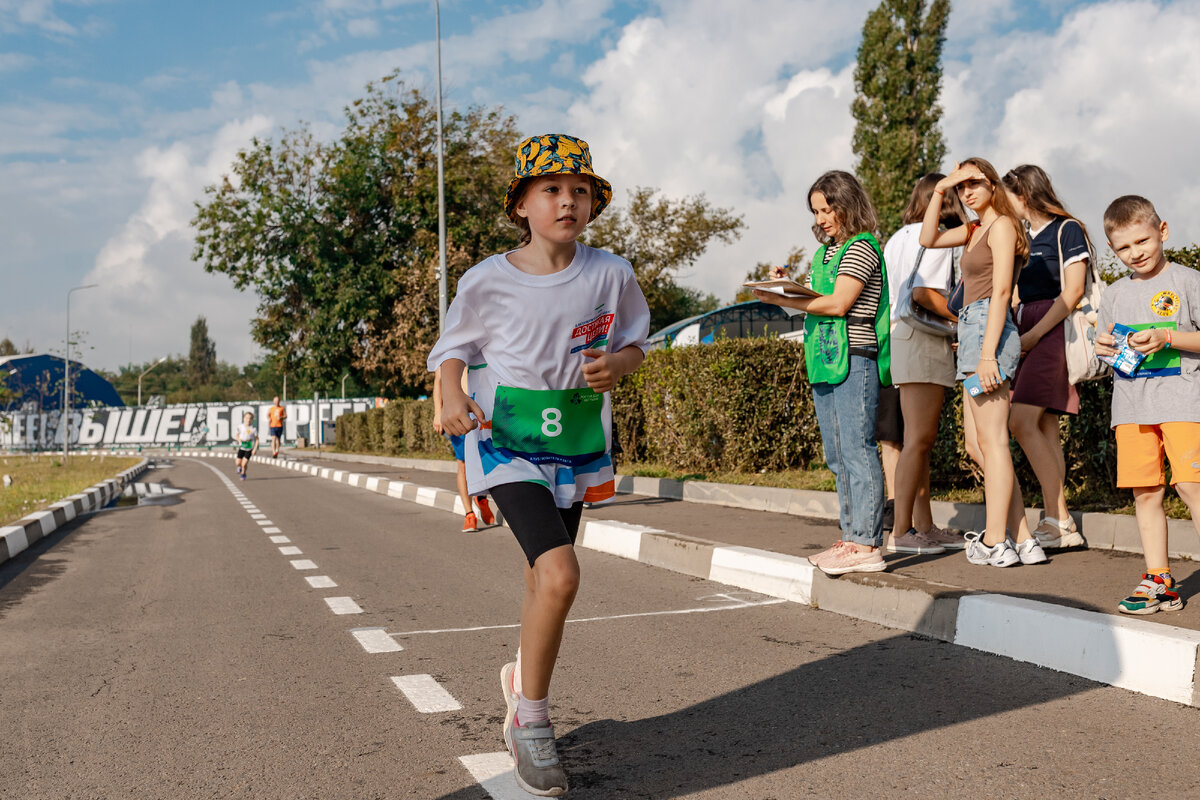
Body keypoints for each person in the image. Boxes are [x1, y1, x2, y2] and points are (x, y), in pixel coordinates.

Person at [429, 133, 650, 796]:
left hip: (575, 442)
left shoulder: (611, 273)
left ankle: (520, 678)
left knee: (539, 577)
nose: (569, 201)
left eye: (580, 190)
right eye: (552, 189)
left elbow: (637, 341)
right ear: (522, 205)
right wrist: (448, 390)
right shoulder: (486, 280)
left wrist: (620, 363)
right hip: (504, 441)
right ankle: (531, 722)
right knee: (560, 574)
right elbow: (453, 348)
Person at [755, 170, 891, 575]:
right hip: (825, 357)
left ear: (847, 203)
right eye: (816, 211)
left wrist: (794, 300)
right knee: (837, 455)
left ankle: (867, 543)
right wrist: (784, 292)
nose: (821, 218)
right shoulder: (825, 254)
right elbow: (814, 303)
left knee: (857, 448)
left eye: (827, 208)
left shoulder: (861, 248)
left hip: (855, 355)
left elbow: (837, 304)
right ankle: (850, 536)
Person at [920, 159, 1046, 567]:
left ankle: (995, 541)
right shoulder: (972, 229)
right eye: (962, 187)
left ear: (993, 184)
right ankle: (1024, 537)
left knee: (993, 441)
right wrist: (941, 190)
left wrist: (989, 353)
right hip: (972, 331)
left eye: (975, 183)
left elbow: (1003, 288)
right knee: (980, 444)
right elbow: (927, 238)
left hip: (987, 332)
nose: (968, 191)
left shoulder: (1003, 226)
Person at [1094, 195, 1200, 615]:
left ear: (1163, 232)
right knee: (1146, 493)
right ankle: (1159, 580)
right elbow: (1108, 352)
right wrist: (1104, 348)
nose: (1135, 253)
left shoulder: (1188, 282)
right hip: (1132, 408)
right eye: (1123, 247)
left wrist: (1167, 336)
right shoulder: (1115, 295)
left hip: (1183, 402)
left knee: (1191, 486)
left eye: (1142, 241)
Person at [1001, 165, 1088, 549]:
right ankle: (1059, 522)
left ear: (1024, 193)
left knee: (1020, 420)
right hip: (1026, 330)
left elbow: (1072, 293)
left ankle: (1061, 519)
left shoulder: (1068, 229)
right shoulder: (1022, 235)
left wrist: (1034, 335)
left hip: (1051, 331)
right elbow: (1015, 293)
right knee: (1045, 428)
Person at [883, 174, 967, 553]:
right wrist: (959, 318)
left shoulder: (896, 238)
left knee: (918, 441)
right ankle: (903, 531)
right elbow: (923, 293)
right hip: (923, 337)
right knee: (918, 439)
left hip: (903, 336)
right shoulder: (934, 235)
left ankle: (923, 526)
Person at [432, 365, 495, 532]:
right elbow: (438, 381)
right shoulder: (449, 344)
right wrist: (438, 413)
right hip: (458, 414)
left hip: (482, 410)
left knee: (485, 459)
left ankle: (481, 498)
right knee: (463, 464)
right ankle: (469, 515)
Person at [233, 411, 258, 481]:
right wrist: (239, 440)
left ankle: (243, 473)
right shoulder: (240, 427)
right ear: (244, 418)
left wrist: (255, 449)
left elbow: (257, 439)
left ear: (252, 420)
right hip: (241, 447)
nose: (248, 420)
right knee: (238, 462)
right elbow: (237, 435)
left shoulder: (253, 429)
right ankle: (239, 467)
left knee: (244, 463)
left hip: (249, 448)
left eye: (250, 418)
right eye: (247, 418)